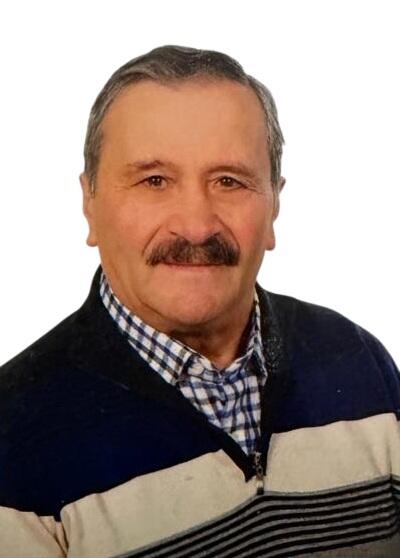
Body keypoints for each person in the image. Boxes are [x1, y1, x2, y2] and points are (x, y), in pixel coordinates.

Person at [0, 45, 399, 558]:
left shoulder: (358, 359)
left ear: (275, 203)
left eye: (229, 181)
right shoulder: (12, 440)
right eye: (154, 181)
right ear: (89, 202)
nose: (196, 225)